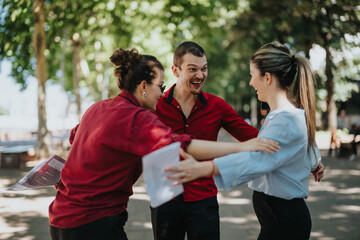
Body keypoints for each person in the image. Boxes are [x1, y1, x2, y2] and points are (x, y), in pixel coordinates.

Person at [48, 48, 279, 240]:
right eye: (160, 85)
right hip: (109, 216)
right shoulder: (141, 115)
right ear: (144, 86)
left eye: (204, 68)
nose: (161, 92)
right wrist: (241, 148)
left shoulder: (97, 108)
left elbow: (77, 140)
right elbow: (178, 145)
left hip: (63, 217)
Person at [167, 42, 325, 240]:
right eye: (192, 69)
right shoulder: (280, 116)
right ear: (176, 70)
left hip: (279, 218)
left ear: (267, 78)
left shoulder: (284, 119)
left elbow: (258, 156)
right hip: (168, 199)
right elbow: (282, 142)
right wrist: (313, 158)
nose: (250, 82)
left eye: (252, 75)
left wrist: (203, 168)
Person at [151, 41, 259, 240]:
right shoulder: (155, 105)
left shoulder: (217, 106)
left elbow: (255, 138)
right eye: (192, 69)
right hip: (164, 197)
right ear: (175, 70)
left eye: (204, 69)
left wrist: (309, 156)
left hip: (203, 200)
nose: (200, 75)